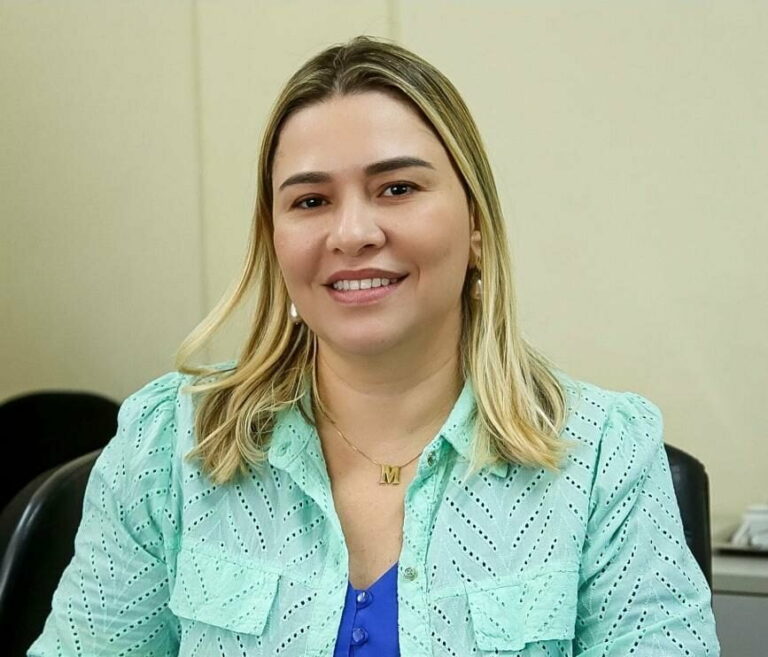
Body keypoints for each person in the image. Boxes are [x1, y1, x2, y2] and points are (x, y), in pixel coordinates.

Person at [28, 35, 719, 656]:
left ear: (476, 225)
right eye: (310, 201)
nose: (353, 233)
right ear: (275, 241)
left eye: (397, 188)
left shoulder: (602, 457)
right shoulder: (168, 445)